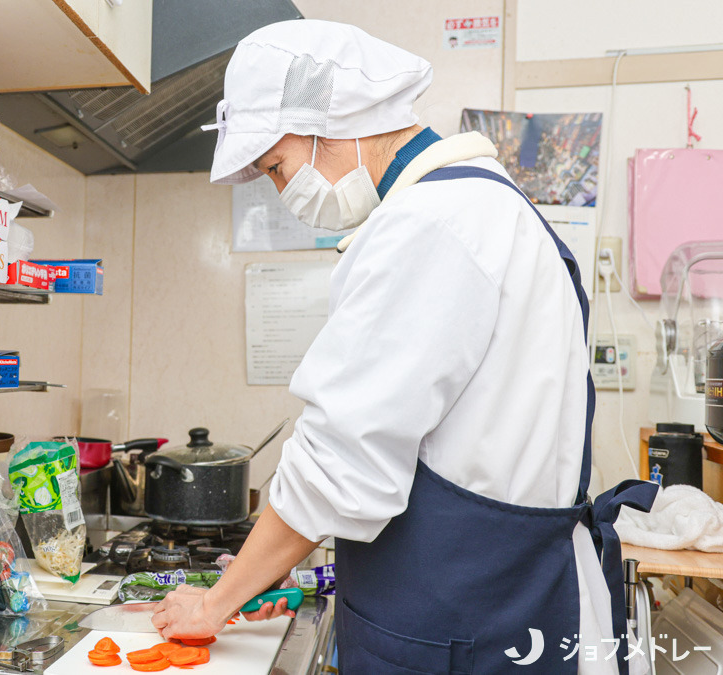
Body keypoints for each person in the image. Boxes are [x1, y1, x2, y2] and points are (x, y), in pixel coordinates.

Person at [151, 20, 656, 674]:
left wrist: (216, 602)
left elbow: (340, 461)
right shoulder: (487, 207)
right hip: (499, 597)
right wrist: (273, 568)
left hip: (459, 627)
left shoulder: (429, 225)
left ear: (331, 121)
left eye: (276, 167)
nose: (283, 192)